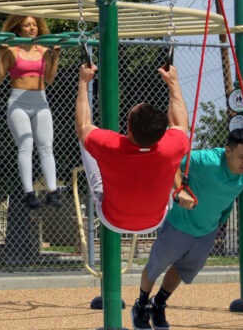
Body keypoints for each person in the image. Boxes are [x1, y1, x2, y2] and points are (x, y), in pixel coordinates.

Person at [131, 128, 243, 330]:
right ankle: (141, 305)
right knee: (157, 266)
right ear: (227, 151)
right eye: (241, 157)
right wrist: (180, 189)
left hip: (208, 228)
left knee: (184, 268)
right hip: (180, 223)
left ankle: (159, 303)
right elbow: (172, 162)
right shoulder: (207, 160)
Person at [75, 61, 189, 234]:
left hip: (112, 220)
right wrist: (173, 82)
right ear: (161, 133)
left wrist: (84, 82)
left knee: (85, 139)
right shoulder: (171, 144)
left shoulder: (110, 144)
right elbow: (180, 123)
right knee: (168, 156)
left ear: (128, 129)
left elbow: (83, 125)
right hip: (154, 221)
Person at [0, 14, 61, 209]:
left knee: (46, 145)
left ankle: (52, 191)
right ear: (18, 29)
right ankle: (29, 192)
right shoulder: (11, 50)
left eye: (34, 25)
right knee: (26, 144)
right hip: (18, 101)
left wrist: (56, 58)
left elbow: (49, 80)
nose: (31, 28)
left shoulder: (43, 50)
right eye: (27, 25)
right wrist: (0, 55)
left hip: (40, 101)